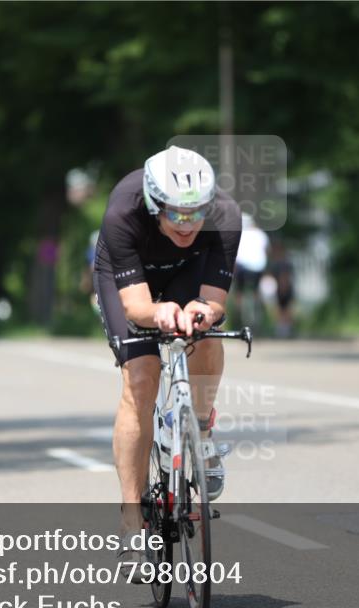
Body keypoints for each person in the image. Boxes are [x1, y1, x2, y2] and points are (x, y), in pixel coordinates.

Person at [92, 146, 241, 563]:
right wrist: (160, 312)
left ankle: (204, 436)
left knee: (207, 337)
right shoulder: (123, 212)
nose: (187, 224)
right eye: (176, 214)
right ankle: (130, 520)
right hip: (132, 279)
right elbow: (138, 307)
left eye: (196, 214)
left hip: (187, 274)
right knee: (140, 378)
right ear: (155, 204)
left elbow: (214, 299)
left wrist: (204, 310)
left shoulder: (225, 215)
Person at [233, 213, 269, 325]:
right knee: (256, 290)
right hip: (258, 267)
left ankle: (239, 315)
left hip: (242, 267)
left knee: (239, 291)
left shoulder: (239, 234)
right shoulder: (261, 234)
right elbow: (267, 251)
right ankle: (258, 306)